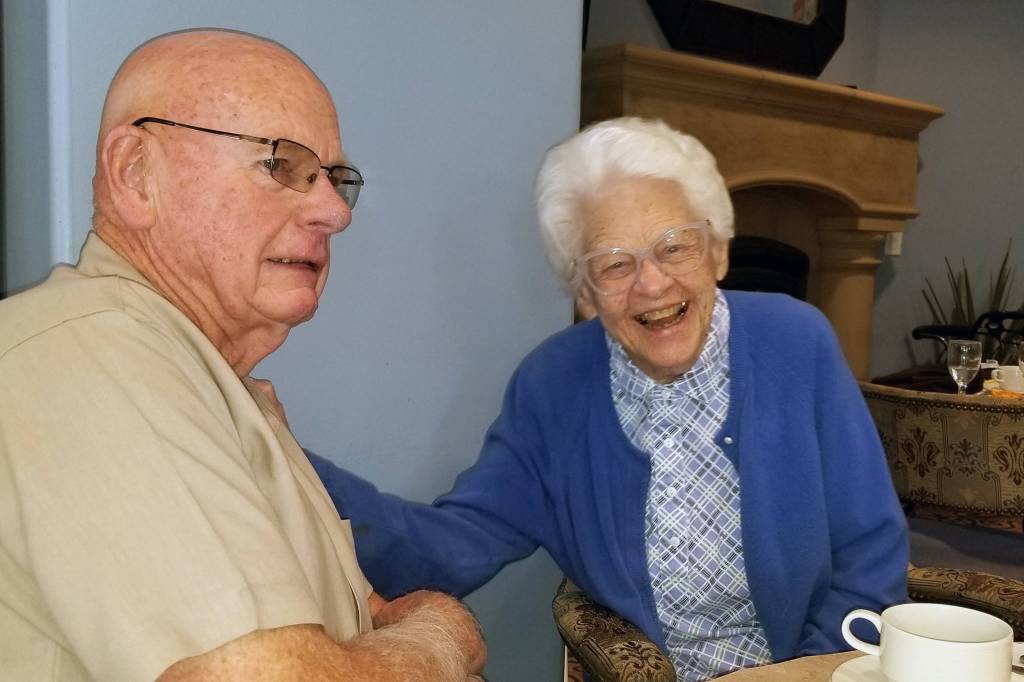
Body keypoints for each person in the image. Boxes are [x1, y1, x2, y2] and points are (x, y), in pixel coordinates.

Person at [309, 117, 909, 680]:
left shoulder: (796, 342)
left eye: (675, 246)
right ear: (584, 292)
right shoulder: (554, 385)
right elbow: (452, 548)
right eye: (615, 264)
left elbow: (871, 555)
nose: (652, 283)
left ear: (719, 250)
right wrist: (289, 464)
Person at [0, 29, 484, 682]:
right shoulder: (88, 354)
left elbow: (352, 625)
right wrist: (440, 636)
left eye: (337, 180)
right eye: (281, 165)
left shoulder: (213, 385)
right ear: (135, 174)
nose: (335, 212)